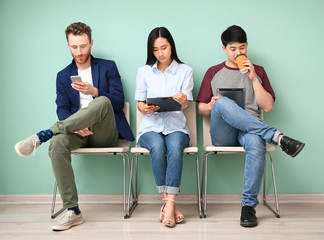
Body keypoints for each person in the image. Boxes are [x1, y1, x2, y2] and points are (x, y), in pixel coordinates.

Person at [14, 22, 134, 231]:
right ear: (68, 45)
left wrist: (94, 91)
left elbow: (117, 102)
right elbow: (62, 108)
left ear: (91, 43)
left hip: (104, 131)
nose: (79, 51)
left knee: (103, 102)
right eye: (74, 47)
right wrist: (75, 125)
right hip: (77, 131)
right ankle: (73, 211)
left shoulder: (108, 67)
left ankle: (46, 133)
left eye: (84, 46)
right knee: (57, 144)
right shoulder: (63, 75)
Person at [197, 25, 305, 228]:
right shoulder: (213, 72)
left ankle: (248, 207)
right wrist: (213, 104)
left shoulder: (259, 71)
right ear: (224, 49)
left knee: (256, 143)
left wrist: (253, 78)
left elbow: (268, 106)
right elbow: (201, 109)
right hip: (224, 134)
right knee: (221, 102)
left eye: (242, 48)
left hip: (251, 131)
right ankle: (277, 136)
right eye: (233, 48)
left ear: (247, 46)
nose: (238, 53)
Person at [135, 27, 194, 228]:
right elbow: (139, 103)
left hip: (176, 126)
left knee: (175, 147)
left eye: (164, 47)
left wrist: (183, 100)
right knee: (158, 147)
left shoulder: (185, 71)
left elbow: (185, 104)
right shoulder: (143, 71)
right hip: (150, 126)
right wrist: (144, 107)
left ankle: (168, 205)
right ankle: (170, 204)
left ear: (171, 46)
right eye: (156, 49)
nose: (160, 53)